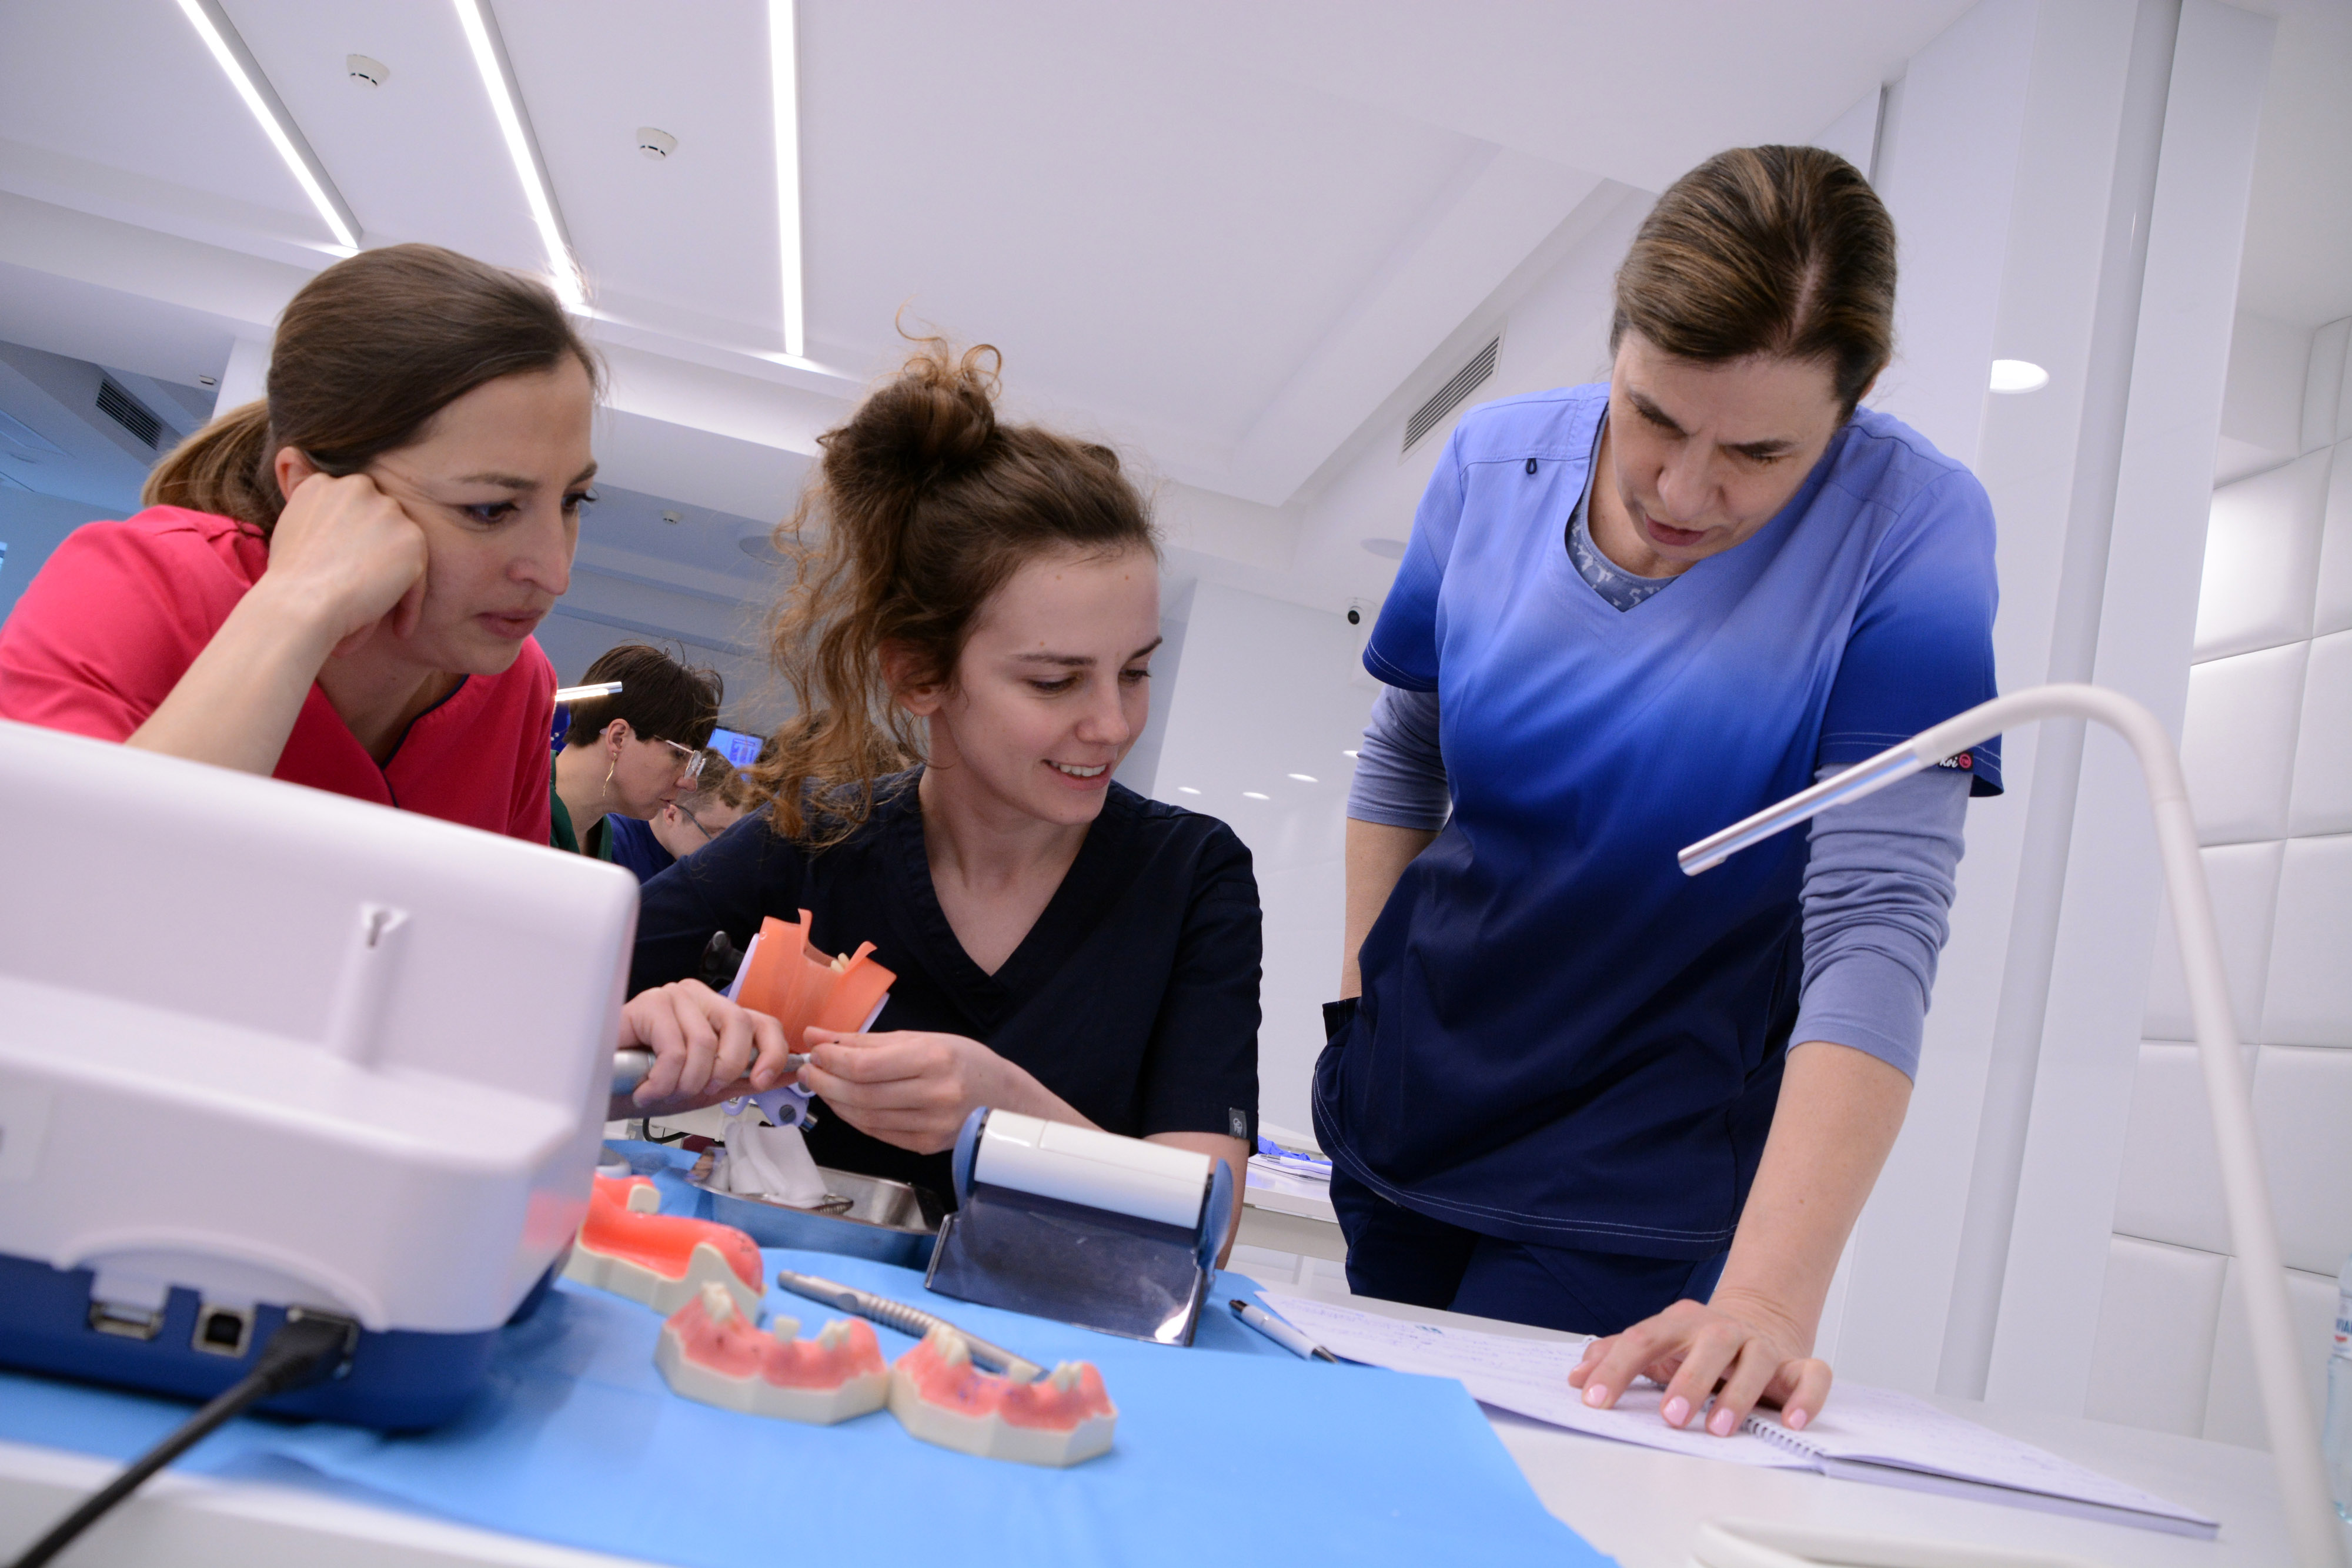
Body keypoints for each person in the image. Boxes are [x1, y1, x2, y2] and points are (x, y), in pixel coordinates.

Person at [1323, 146, 2000, 1436]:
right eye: (1652, 417)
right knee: (1367, 1462)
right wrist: (1361, 1010)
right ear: (1619, 344)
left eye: (1757, 450)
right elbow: (1406, 749)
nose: (1684, 491)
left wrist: (1769, 1299)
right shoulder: (1491, 462)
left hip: (1638, 1157)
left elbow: (1877, 915)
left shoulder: (1910, 529)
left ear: (1853, 403)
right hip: (1407, 1097)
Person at [0, 242, 786, 1124]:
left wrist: (609, 1042)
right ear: (312, 491)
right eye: (489, 509)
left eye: (573, 501)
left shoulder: (514, 687)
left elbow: (466, 1015)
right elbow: (56, 935)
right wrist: (294, 610)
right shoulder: (144, 584)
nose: (553, 570)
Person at [629, 341, 1259, 1258]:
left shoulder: (1191, 873)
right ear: (920, 675)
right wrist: (645, 1019)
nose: (1114, 723)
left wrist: (1004, 1109)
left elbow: (1208, 1224)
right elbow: (526, 1017)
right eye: (1055, 681)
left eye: (1134, 671)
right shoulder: (815, 839)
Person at [550, 643, 722, 861]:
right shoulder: (515, 807)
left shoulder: (601, 835)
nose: (690, 783)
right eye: (679, 755)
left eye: (695, 762)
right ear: (618, 738)